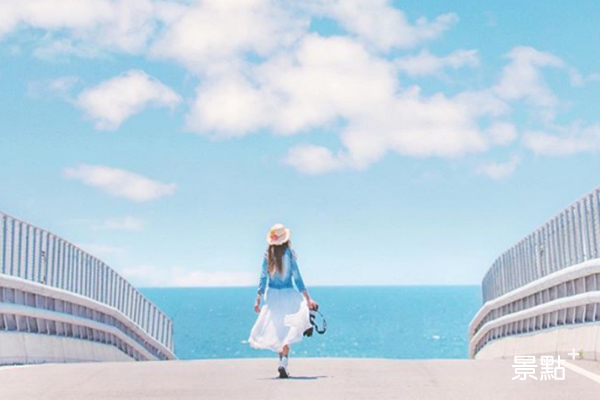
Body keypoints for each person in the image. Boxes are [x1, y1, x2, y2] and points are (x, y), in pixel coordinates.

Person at [248, 223, 318, 378]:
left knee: (278, 329)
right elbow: (297, 278)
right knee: (288, 330)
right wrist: (308, 297)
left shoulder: (268, 255)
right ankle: (283, 363)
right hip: (288, 294)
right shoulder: (289, 254)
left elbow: (263, 278)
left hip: (272, 296)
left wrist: (258, 298)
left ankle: (282, 364)